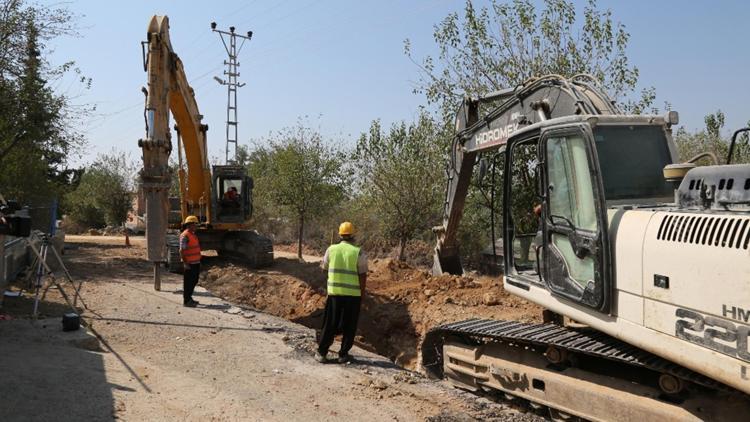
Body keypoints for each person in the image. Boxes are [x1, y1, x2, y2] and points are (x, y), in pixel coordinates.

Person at [315, 221, 367, 364]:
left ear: (340, 235)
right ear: (353, 235)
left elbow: (323, 268)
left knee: (330, 323)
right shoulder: (359, 252)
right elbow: (362, 276)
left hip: (334, 294)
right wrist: (362, 295)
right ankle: (343, 355)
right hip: (353, 296)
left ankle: (321, 353)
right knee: (349, 326)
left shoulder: (331, 250)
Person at [180, 215, 201, 307]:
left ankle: (189, 297)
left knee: (194, 280)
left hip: (195, 262)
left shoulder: (192, 234)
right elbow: (182, 250)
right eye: (194, 224)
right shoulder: (185, 235)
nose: (196, 226)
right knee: (188, 282)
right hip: (189, 264)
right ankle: (186, 301)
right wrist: (185, 263)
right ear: (189, 225)